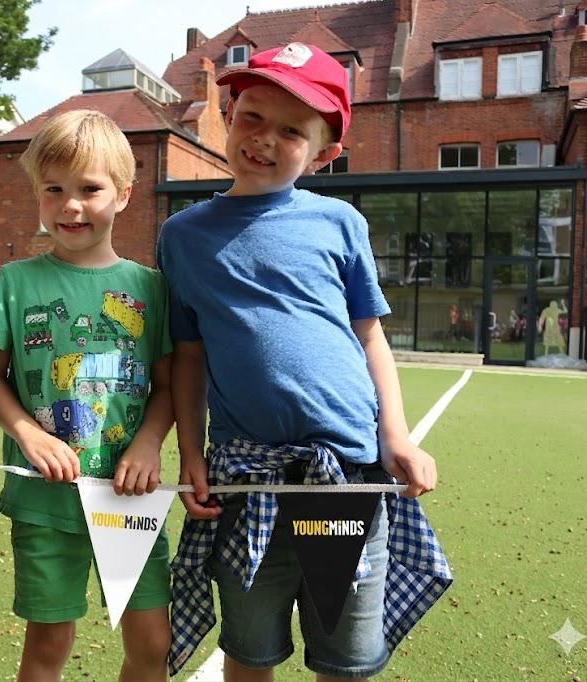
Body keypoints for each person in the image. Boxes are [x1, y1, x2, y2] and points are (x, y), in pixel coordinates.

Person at [157, 43, 451, 680]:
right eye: (252, 117)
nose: (264, 139)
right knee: (250, 653)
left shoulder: (340, 222)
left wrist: (393, 435)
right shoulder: (182, 236)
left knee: (344, 662)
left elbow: (370, 337)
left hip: (344, 476)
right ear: (229, 114)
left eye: (292, 131)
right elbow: (187, 355)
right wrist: (189, 454)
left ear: (324, 153)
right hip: (245, 481)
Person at [0, 109, 174, 682]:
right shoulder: (15, 281)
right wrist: (28, 433)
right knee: (47, 646)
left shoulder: (151, 286)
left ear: (123, 193)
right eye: (54, 190)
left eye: (89, 189)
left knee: (152, 643)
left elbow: (169, 387)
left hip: (131, 495)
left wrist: (146, 444)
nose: (71, 206)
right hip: (45, 500)